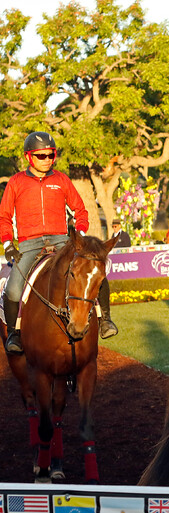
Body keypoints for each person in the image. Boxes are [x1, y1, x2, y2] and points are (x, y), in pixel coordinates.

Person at [0, 131, 118, 353]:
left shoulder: (62, 179)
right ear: (29, 157)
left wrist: (79, 236)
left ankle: (105, 321)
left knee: (95, 273)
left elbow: (81, 211)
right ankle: (15, 335)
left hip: (62, 241)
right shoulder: (15, 182)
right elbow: (4, 217)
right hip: (29, 244)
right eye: (40, 156)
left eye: (49, 155)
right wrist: (8, 245)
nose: (46, 160)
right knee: (13, 290)